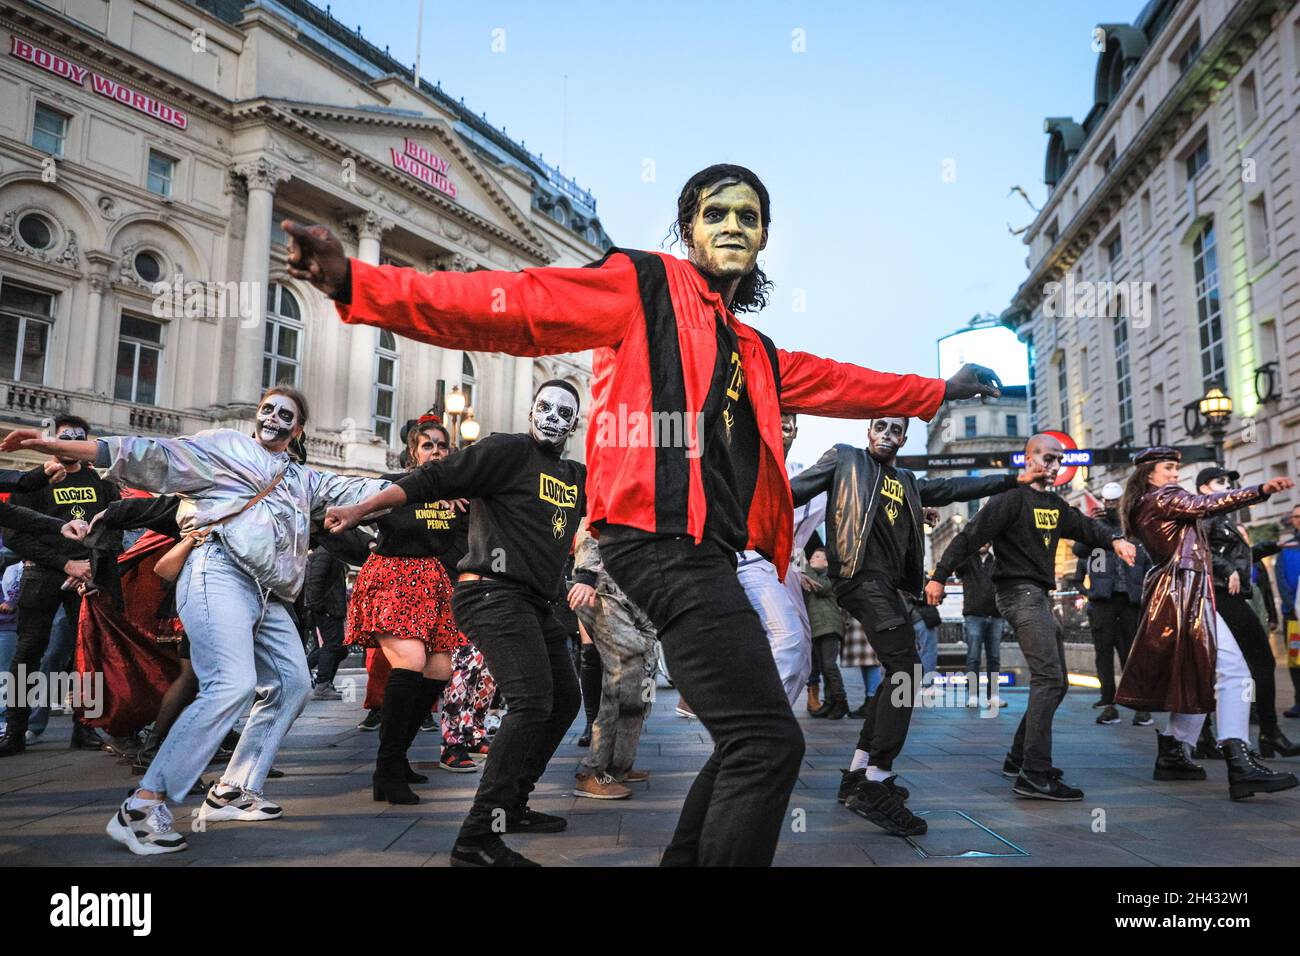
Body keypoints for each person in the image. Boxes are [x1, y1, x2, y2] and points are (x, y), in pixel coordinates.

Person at [286, 162, 1000, 866]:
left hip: (704, 551)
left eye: (747, 217)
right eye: (715, 213)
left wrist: (936, 391)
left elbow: (843, 381)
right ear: (687, 228)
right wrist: (362, 283)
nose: (732, 226)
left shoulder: (753, 350)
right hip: (655, 540)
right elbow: (518, 305)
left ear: (764, 239)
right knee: (768, 742)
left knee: (756, 736)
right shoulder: (645, 284)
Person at [2, 385, 390, 855]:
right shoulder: (226, 447)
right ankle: (142, 809)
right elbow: (146, 451)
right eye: (266, 409)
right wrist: (54, 445)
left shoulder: (301, 480)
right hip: (218, 571)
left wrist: (440, 482)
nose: (272, 418)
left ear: (298, 427)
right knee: (231, 684)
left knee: (293, 684)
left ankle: (233, 789)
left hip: (268, 594)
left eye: (284, 414)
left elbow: (361, 488)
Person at [326, 381, 588, 867]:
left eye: (563, 412)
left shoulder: (574, 474)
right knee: (531, 702)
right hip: (493, 592)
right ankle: (477, 839)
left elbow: (610, 517)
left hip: (538, 602)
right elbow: (431, 480)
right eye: (543, 407)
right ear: (531, 410)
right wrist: (360, 510)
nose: (551, 417)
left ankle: (511, 807)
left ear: (575, 423)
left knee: (564, 700)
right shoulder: (507, 452)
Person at [792, 416, 1028, 835]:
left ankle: (858, 774)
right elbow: (792, 492)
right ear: (868, 432)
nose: (886, 435)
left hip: (888, 585)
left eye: (895, 430)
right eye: (879, 427)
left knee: (900, 671)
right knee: (907, 671)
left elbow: (952, 488)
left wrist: (1011, 479)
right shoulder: (845, 460)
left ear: (904, 438)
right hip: (858, 577)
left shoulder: (903, 480)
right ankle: (876, 780)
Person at [928, 432, 1136, 802]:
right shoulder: (1009, 498)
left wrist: (1115, 541)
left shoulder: (1054, 505)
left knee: (1057, 683)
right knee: (1048, 678)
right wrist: (938, 576)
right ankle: (1034, 774)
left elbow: (1085, 527)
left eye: (1059, 460)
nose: (1054, 465)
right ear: (1027, 459)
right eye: (1047, 457)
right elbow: (970, 536)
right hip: (1018, 595)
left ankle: (1018, 759)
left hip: (1038, 596)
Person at [1115, 447, 1297, 799]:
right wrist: (1262, 490)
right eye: (1168, 468)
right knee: (1235, 672)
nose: (1174, 474)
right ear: (1149, 473)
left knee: (1197, 673)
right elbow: (1206, 504)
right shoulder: (1165, 497)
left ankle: (1174, 752)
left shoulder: (1145, 502)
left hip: (1180, 594)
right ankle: (1239, 759)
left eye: (1176, 468)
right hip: (1187, 594)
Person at [344, 418, 466, 802]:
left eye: (442, 446)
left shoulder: (457, 494)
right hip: (392, 577)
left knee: (440, 670)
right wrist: (363, 551)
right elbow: (342, 518)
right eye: (427, 445)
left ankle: (397, 759)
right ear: (414, 451)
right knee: (410, 661)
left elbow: (463, 545)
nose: (435, 451)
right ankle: (386, 768)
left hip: (432, 583)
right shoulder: (391, 486)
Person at [0, 415, 120, 755]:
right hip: (42, 575)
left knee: (89, 654)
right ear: (55, 440)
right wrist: (64, 563)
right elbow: (14, 535)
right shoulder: (33, 482)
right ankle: (15, 730)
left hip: (88, 578)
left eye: (77, 438)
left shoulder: (103, 484)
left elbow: (113, 530)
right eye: (64, 436)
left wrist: (91, 568)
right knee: (27, 653)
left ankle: (87, 729)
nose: (70, 441)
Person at [1198, 466, 1300, 758]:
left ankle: (1212, 737)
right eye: (1221, 482)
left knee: (1219, 667)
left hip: (1226, 594)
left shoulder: (1221, 516)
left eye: (1230, 483)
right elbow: (1200, 550)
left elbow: (1238, 557)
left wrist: (1273, 546)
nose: (1227, 486)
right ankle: (1266, 734)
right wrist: (1226, 569)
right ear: (1204, 488)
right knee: (1258, 661)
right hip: (1220, 595)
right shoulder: (1206, 514)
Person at [571, 523, 658, 799]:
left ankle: (618, 766)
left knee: (642, 676)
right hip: (604, 589)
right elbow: (591, 518)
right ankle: (592, 771)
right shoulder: (613, 480)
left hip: (635, 591)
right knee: (623, 673)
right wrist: (586, 575)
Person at [1070, 481, 1152, 728]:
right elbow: (1079, 550)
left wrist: (1144, 594)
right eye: (1107, 502)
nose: (1110, 506)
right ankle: (1109, 705)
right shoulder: (1096, 533)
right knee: (1103, 656)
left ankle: (1139, 706)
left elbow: (1148, 565)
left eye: (1115, 502)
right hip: (1103, 603)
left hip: (1130, 603)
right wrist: (1089, 523)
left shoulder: (1135, 531)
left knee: (1131, 656)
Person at [957, 543, 1005, 708]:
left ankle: (994, 695)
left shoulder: (997, 560)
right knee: (973, 657)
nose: (982, 543)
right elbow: (957, 567)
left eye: (986, 540)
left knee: (994, 658)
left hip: (996, 615)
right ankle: (972, 695)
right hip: (974, 615)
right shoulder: (967, 560)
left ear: (991, 543)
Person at [802, 547, 846, 719]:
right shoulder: (810, 575)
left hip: (828, 626)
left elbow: (820, 587)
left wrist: (803, 563)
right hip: (817, 628)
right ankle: (829, 703)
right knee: (824, 668)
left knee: (829, 666)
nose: (813, 558)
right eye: (812, 555)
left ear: (827, 562)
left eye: (818, 556)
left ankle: (841, 702)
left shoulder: (829, 576)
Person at [304, 546, 350, 700]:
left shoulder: (331, 552)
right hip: (327, 608)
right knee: (332, 645)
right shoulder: (326, 552)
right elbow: (314, 581)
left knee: (339, 648)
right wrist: (319, 607)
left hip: (332, 608)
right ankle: (322, 684)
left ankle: (321, 681)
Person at [1276, 505, 1300, 717]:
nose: (1299, 519)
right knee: (1295, 660)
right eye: (1296, 517)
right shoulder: (1287, 547)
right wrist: (1292, 605)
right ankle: (1298, 701)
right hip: (1293, 616)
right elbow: (1281, 579)